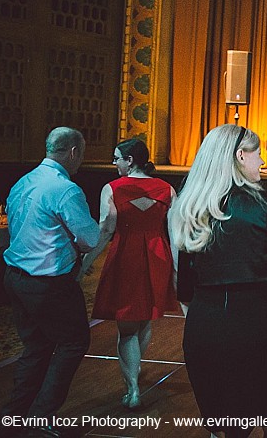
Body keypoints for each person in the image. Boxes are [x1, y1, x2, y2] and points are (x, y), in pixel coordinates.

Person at [167, 124, 267, 438]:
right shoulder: (266, 207)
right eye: (258, 154)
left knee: (225, 427)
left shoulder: (190, 208)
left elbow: (184, 289)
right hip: (258, 327)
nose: (262, 162)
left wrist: (207, 325)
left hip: (204, 328)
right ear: (240, 156)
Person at [0, 127, 99, 437]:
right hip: (48, 285)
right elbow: (91, 238)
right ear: (73, 153)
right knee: (73, 342)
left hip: (16, 278)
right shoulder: (64, 189)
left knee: (36, 348)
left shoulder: (23, 182)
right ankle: (41, 418)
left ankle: (12, 422)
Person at [86, 139, 176, 410]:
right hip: (158, 255)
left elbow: (105, 230)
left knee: (126, 327)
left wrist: (85, 262)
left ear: (130, 160)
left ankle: (133, 388)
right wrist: (177, 270)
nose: (114, 163)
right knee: (145, 319)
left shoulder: (112, 189)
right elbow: (176, 233)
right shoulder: (167, 189)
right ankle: (135, 373)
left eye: (117, 158)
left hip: (126, 255)